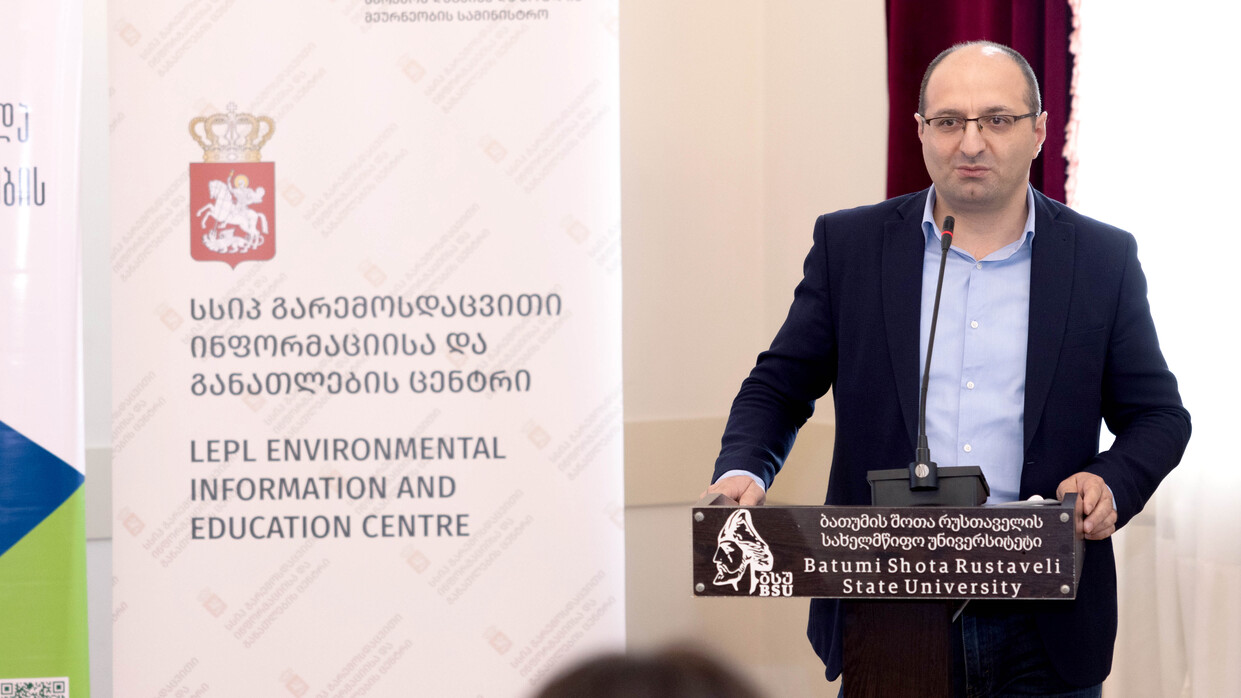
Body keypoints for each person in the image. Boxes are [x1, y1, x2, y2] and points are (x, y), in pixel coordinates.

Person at [703, 41, 1190, 696]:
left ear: (1039, 130)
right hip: (888, 599)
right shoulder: (851, 246)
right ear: (921, 131)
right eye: (949, 121)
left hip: (1044, 616)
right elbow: (779, 386)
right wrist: (743, 467)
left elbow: (1158, 416)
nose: (971, 142)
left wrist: (1110, 482)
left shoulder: (1101, 258)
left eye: (997, 119)